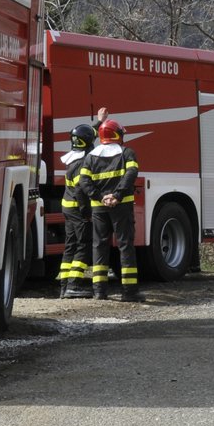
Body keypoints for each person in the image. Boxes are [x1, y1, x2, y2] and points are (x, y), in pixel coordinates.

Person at [82, 117, 141, 301]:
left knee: (99, 246)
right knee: (125, 246)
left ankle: (99, 291)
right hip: (121, 206)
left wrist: (100, 197)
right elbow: (131, 174)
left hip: (99, 208)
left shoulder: (91, 157)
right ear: (117, 135)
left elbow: (84, 181)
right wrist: (117, 195)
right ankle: (129, 292)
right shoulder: (127, 153)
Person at [57, 122, 97, 299]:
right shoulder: (82, 163)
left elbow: (86, 135)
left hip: (67, 207)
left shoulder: (72, 159)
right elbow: (81, 191)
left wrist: (99, 121)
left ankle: (64, 286)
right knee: (83, 245)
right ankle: (74, 285)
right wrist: (87, 213)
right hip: (77, 210)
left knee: (70, 245)